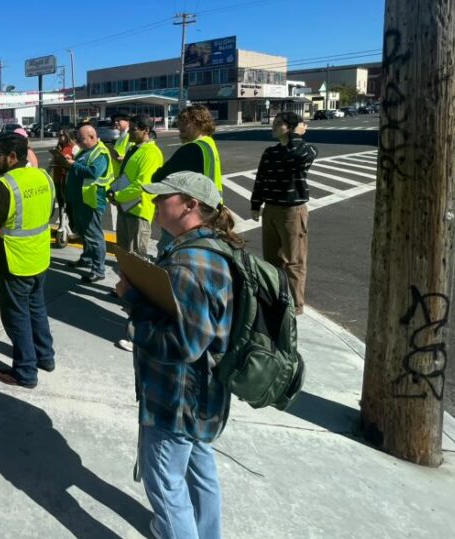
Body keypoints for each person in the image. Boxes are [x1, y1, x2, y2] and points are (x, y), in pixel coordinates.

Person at [115, 170, 238, 539]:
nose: (153, 203)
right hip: (205, 392)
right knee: (200, 470)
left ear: (190, 205)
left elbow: (183, 345)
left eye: (162, 197)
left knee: (165, 486)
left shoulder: (189, 265)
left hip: (176, 398)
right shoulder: (213, 246)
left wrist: (132, 300)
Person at [0, 134, 56, 389]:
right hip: (39, 258)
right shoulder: (44, 177)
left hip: (14, 262)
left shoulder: (3, 186)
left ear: (12, 157)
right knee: (36, 309)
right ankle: (45, 357)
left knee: (16, 317)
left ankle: (25, 371)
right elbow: (49, 213)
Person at [251, 111, 318, 314]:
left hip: (292, 211)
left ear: (290, 127)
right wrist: (256, 203)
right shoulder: (270, 152)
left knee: (293, 260)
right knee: (271, 259)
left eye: (279, 123)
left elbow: (298, 156)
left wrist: (296, 135)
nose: (274, 126)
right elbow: (261, 178)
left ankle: (295, 306)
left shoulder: (306, 149)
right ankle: (275, 298)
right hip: (270, 209)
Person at [110, 115, 163, 352]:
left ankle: (140, 316)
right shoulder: (134, 148)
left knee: (138, 261)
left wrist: (118, 195)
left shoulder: (151, 153)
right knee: (125, 256)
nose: (129, 132)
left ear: (145, 130)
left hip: (139, 210)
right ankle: (128, 294)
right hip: (125, 208)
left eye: (133, 129)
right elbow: (125, 175)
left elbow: (142, 185)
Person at [152, 105, 222, 251]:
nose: (180, 127)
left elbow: (158, 178)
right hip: (208, 210)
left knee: (171, 254)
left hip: (184, 216)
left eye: (185, 122)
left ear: (199, 122)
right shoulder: (209, 144)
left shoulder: (191, 148)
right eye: (179, 123)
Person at [64, 124, 114, 283]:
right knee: (84, 232)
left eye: (81, 138)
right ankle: (86, 259)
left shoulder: (100, 152)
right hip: (80, 200)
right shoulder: (86, 151)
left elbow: (93, 173)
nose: (78, 141)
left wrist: (73, 165)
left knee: (94, 236)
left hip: (91, 201)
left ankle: (98, 269)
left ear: (92, 137)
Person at [51, 128, 80, 243]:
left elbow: (77, 163)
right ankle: (62, 226)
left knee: (70, 205)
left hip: (68, 178)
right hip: (58, 178)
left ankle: (73, 227)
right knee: (61, 203)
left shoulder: (74, 148)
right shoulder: (59, 148)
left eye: (62, 135)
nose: (60, 138)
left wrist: (68, 161)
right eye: (59, 136)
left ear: (67, 136)